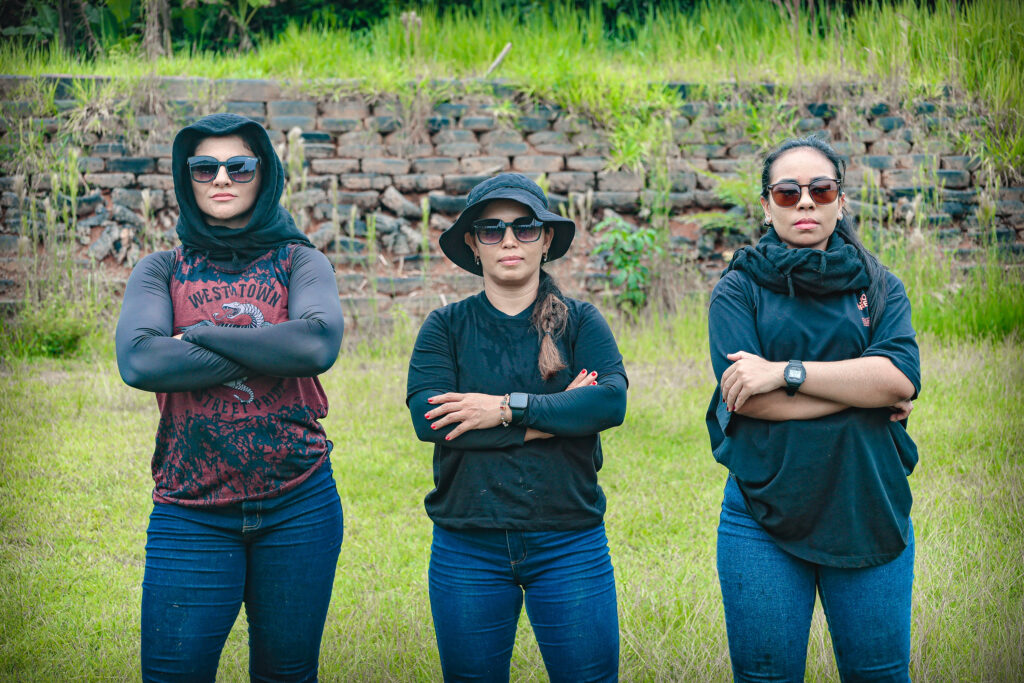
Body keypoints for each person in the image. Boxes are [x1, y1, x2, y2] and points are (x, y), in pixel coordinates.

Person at [115, 112, 345, 682]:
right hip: (190, 508)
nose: (222, 178)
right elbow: (140, 361)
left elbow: (316, 344)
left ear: (263, 174)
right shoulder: (161, 270)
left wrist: (197, 337)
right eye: (205, 168)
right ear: (186, 178)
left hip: (299, 503)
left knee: (287, 674)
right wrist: (272, 344)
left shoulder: (299, 261)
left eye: (239, 166)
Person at [706, 136, 921, 682]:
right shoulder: (739, 289)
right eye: (788, 191)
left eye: (821, 189)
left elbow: (899, 379)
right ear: (766, 205)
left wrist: (785, 372)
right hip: (763, 514)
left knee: (880, 675)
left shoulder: (880, 285)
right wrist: (861, 394)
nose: (805, 201)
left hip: (867, 504)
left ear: (840, 201)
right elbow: (750, 402)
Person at [406, 173, 627, 682]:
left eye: (525, 227)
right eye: (492, 229)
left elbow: (609, 404)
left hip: (569, 539)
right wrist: (556, 418)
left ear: (545, 239)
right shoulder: (446, 327)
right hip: (468, 542)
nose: (509, 240)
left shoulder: (581, 321)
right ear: (473, 244)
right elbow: (431, 420)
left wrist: (504, 409)